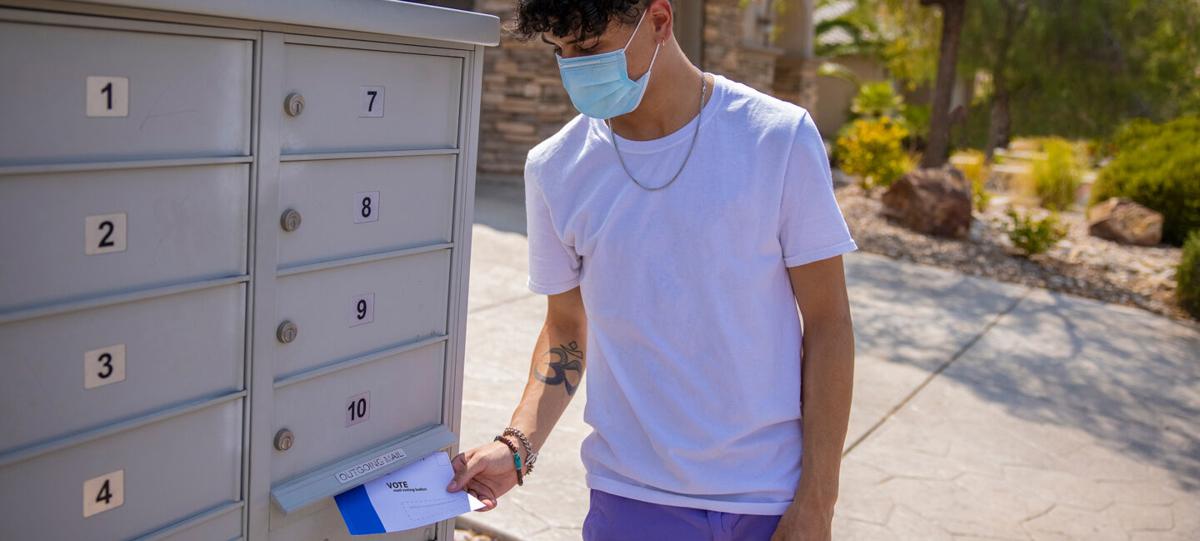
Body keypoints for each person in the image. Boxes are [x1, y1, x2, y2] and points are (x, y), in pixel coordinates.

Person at [447, 1, 858, 539]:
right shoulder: (556, 168)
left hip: (770, 498)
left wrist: (818, 502)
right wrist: (518, 445)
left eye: (589, 48)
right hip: (631, 499)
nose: (574, 67)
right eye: (560, 50)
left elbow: (828, 324)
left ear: (660, 21)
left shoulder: (776, 138)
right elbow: (566, 327)